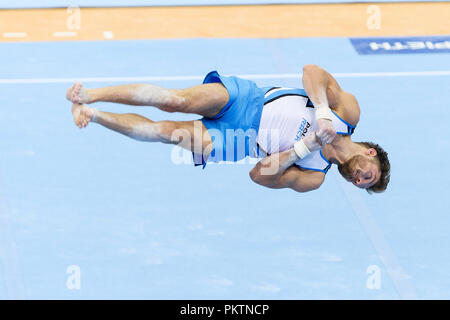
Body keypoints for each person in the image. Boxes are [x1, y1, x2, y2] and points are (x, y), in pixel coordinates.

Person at [66, 64, 390, 193]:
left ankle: (93, 114)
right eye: (368, 175)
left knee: (163, 132)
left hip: (237, 142)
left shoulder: (315, 175)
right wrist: (321, 113)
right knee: (173, 100)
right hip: (247, 100)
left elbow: (260, 175)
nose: (359, 179)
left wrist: (305, 147)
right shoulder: (346, 113)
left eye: (362, 184)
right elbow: (312, 73)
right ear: (370, 153)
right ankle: (91, 93)